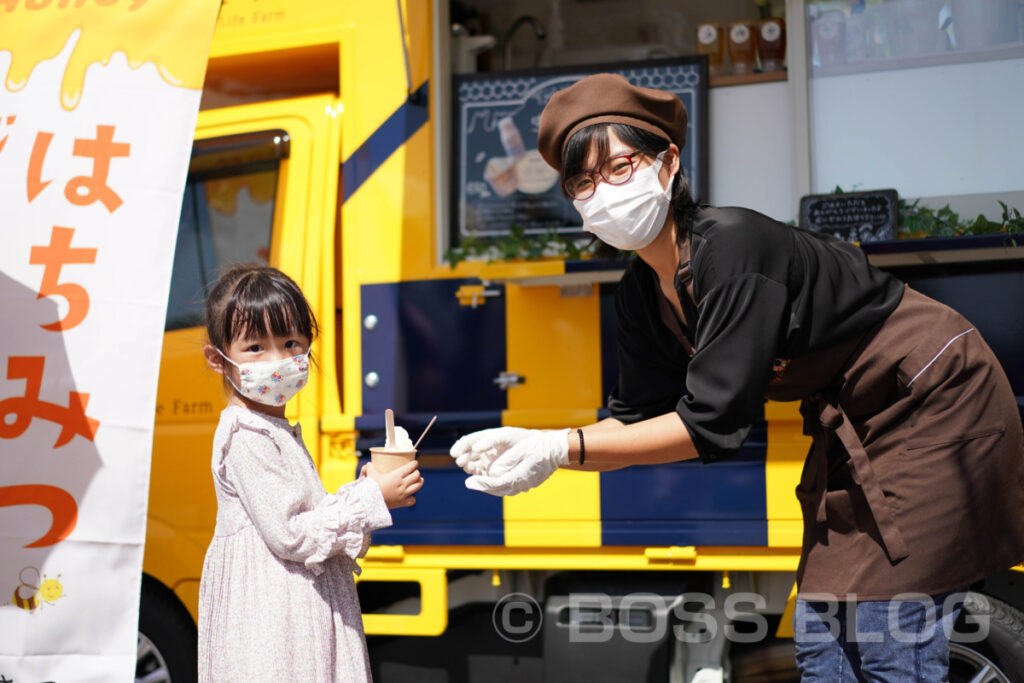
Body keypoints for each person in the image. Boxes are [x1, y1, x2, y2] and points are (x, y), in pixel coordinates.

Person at [449, 73, 1024, 681]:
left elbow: (711, 425)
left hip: (934, 398)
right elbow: (637, 421)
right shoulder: (640, 294)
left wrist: (562, 447)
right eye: (583, 182)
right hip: (855, 427)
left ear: (668, 163)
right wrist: (540, 447)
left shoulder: (733, 245)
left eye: (619, 167)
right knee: (823, 638)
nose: (603, 192)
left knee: (888, 640)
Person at [197, 264, 422, 682]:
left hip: (293, 612)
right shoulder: (245, 434)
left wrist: (369, 490)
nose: (278, 361)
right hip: (276, 621)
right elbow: (292, 533)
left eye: (289, 343)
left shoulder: (272, 427)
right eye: (255, 348)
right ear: (218, 358)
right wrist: (371, 497)